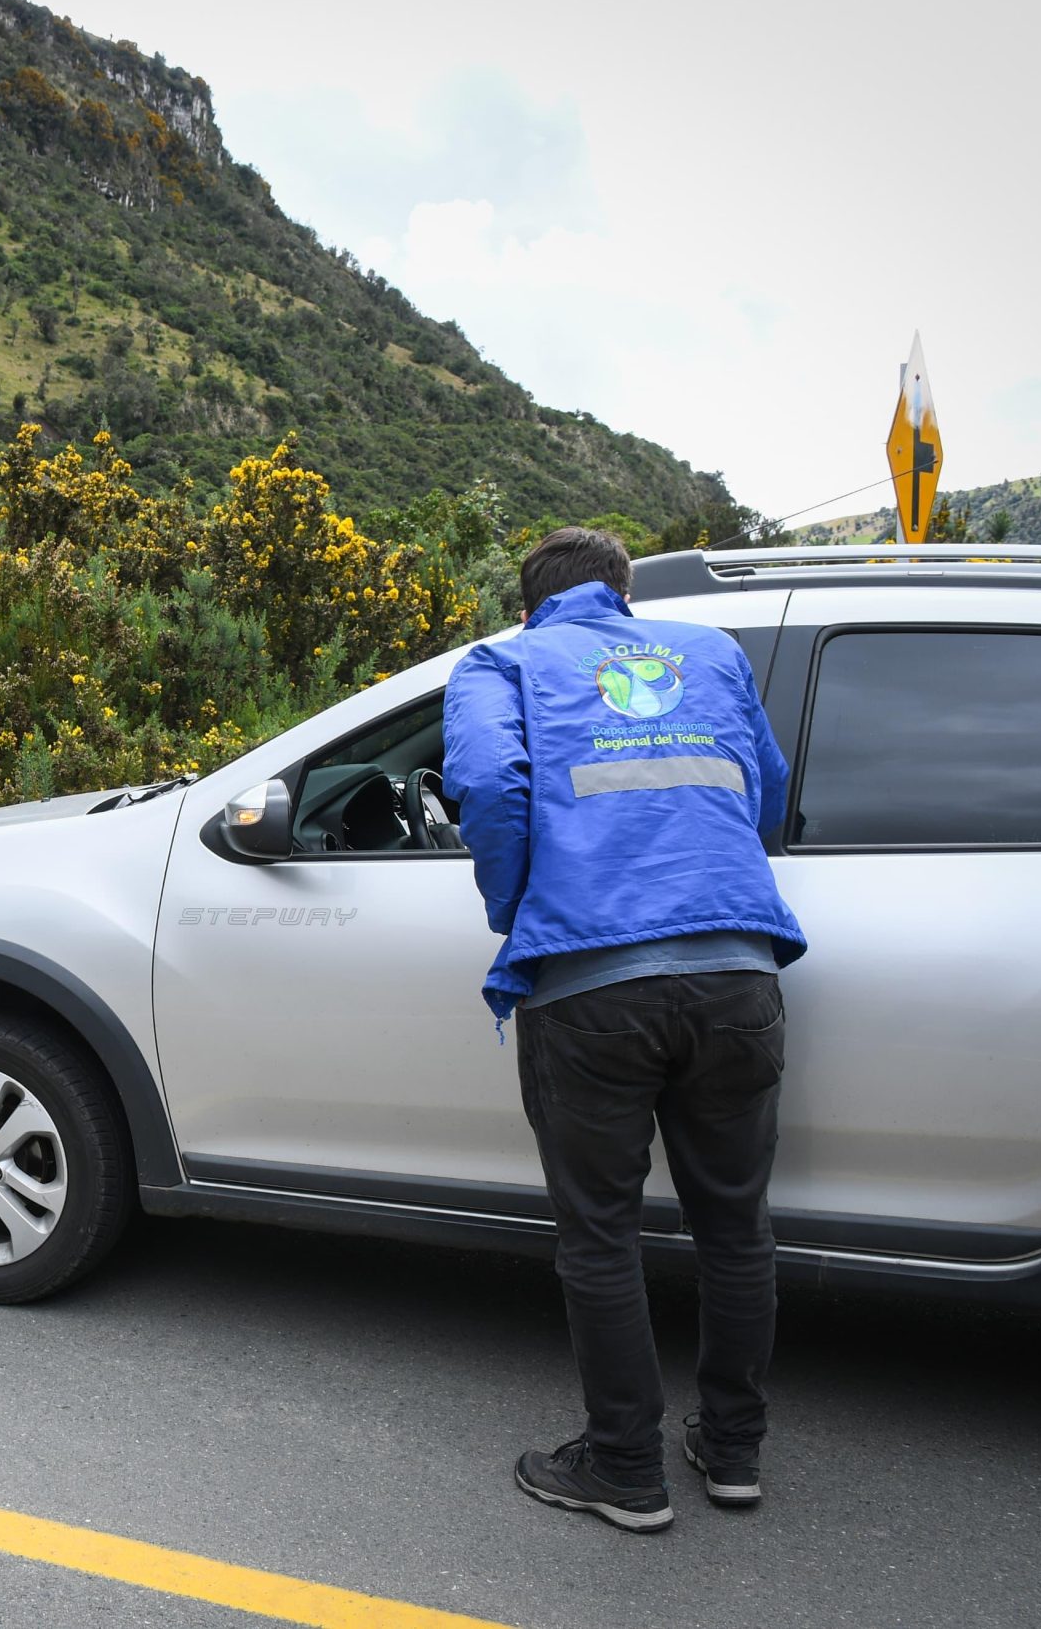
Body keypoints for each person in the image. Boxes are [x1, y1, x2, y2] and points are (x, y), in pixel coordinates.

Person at [442, 527, 806, 1533]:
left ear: (528, 603)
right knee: (735, 1223)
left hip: (588, 985)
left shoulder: (499, 661)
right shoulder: (712, 652)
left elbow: (488, 790)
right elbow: (764, 789)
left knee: (600, 1234)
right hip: (738, 968)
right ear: (624, 595)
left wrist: (526, 907)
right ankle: (732, 1451)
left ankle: (624, 1468)